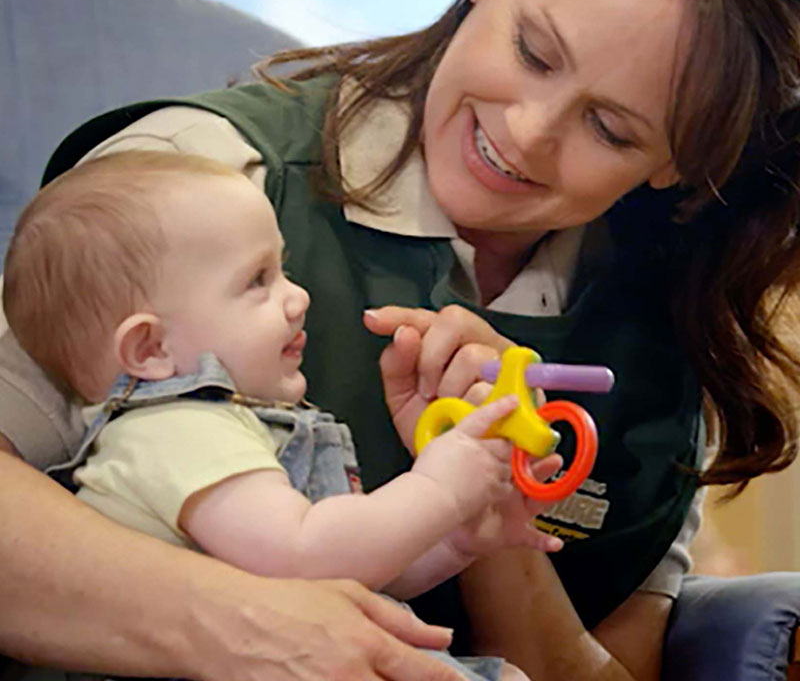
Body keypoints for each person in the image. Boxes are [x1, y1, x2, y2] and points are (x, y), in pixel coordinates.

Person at [2, 0, 800, 679]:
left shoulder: (663, 353)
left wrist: (479, 490)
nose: (526, 134)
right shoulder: (195, 181)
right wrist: (249, 629)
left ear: (682, 165)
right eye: (532, 50)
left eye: (609, 128)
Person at [3, 150, 563, 681]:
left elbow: (350, 574)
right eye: (257, 281)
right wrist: (441, 486)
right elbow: (305, 554)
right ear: (150, 349)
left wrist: (459, 538)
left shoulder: (245, 423)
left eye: (284, 269)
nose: (297, 297)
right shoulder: (174, 431)